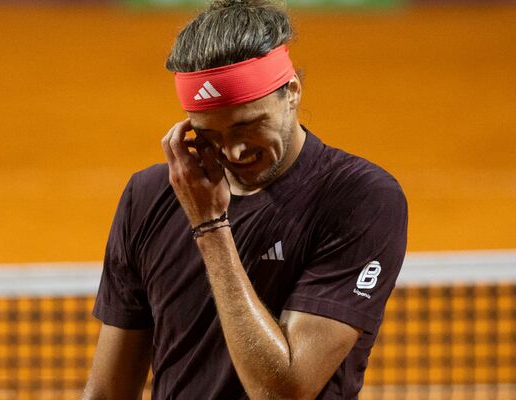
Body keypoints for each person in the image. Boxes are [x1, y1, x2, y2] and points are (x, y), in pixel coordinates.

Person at [82, 1, 408, 398]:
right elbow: (107, 392)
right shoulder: (148, 197)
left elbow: (283, 391)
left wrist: (210, 226)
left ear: (291, 91)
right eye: (209, 134)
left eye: (248, 125)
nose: (233, 152)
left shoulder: (360, 198)